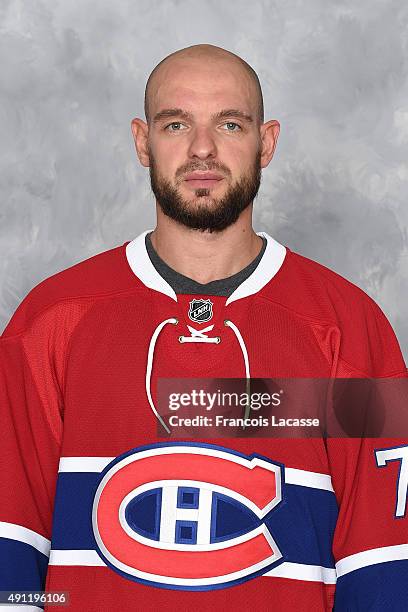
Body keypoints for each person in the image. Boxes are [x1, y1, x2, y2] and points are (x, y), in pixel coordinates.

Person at [0, 43, 407, 611]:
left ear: (266, 143)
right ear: (143, 142)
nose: (202, 148)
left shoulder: (348, 327)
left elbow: (383, 568)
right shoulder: (50, 322)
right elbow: (9, 558)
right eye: (176, 123)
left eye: (230, 123)